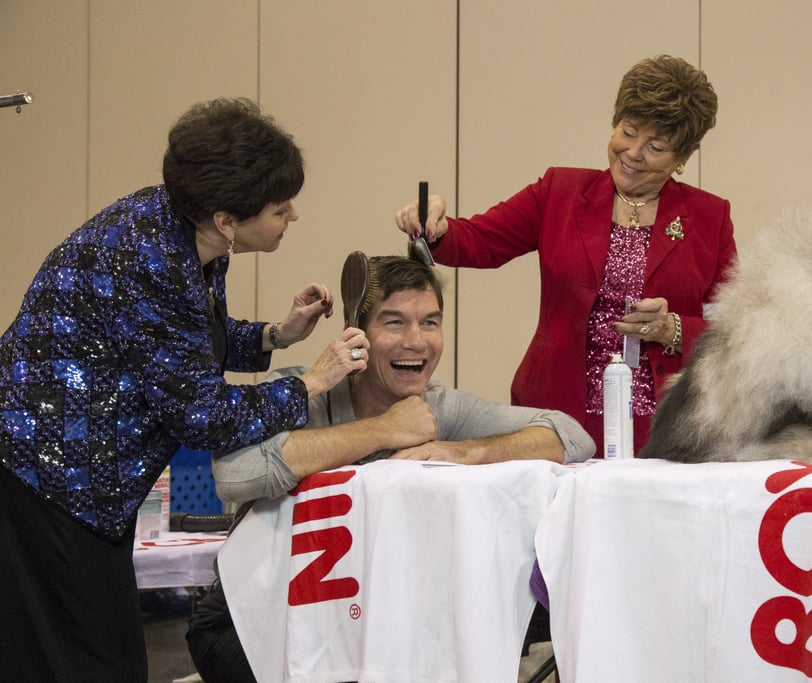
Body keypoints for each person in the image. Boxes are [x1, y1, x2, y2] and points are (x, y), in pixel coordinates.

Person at [0, 98, 364, 682]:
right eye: (278, 207)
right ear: (227, 219)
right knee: (87, 662)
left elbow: (183, 345)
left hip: (74, 480)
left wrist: (276, 334)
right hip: (49, 481)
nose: (292, 215)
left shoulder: (188, 231)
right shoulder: (147, 257)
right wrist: (312, 381)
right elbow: (206, 415)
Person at [186, 255, 594, 683]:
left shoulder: (439, 408)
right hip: (255, 615)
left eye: (431, 323)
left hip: (371, 615)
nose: (416, 341)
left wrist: (464, 452)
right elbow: (234, 473)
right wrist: (383, 430)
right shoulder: (305, 392)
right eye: (395, 323)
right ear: (356, 334)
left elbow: (569, 435)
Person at [395, 55, 737, 455]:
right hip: (555, 414)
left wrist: (673, 329)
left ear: (685, 155)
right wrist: (436, 227)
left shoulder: (710, 217)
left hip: (661, 422)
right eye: (627, 132)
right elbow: (479, 240)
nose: (632, 153)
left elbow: (735, 328)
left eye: (656, 147)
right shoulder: (560, 192)